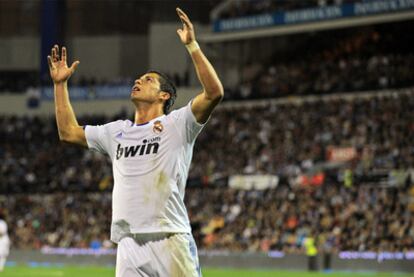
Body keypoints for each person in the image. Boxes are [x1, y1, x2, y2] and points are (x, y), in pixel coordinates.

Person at [47, 8, 223, 277]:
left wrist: (192, 45)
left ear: (164, 95)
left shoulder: (178, 124)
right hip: (128, 241)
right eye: (138, 79)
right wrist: (60, 85)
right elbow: (68, 132)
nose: (138, 81)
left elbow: (214, 93)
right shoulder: (116, 131)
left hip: (170, 238)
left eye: (148, 80)